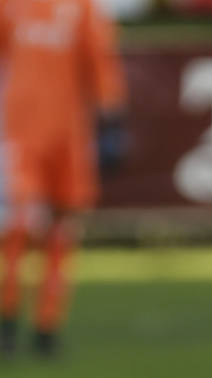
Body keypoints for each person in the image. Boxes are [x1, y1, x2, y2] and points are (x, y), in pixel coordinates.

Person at [0, 0, 127, 357]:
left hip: (69, 135)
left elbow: (100, 61)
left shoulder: (82, 7)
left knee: (62, 228)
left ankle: (47, 327)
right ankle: (7, 322)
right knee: (18, 227)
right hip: (18, 132)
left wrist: (112, 120)